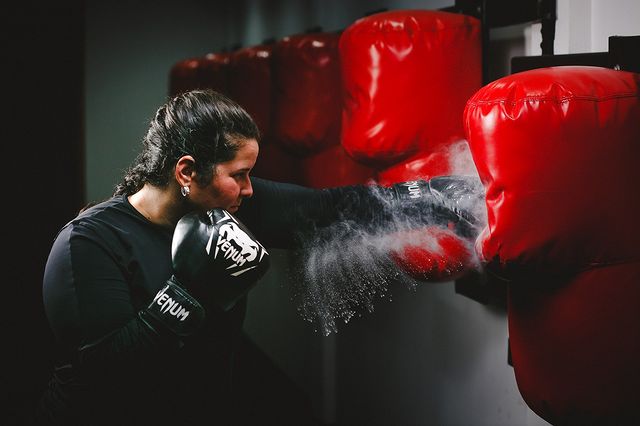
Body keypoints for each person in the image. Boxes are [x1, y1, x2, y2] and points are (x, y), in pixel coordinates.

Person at [35, 89, 483, 425]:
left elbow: (327, 210)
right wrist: (188, 293)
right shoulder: (87, 245)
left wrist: (425, 197)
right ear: (186, 171)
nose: (250, 189)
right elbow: (107, 378)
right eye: (239, 175)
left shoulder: (228, 207)